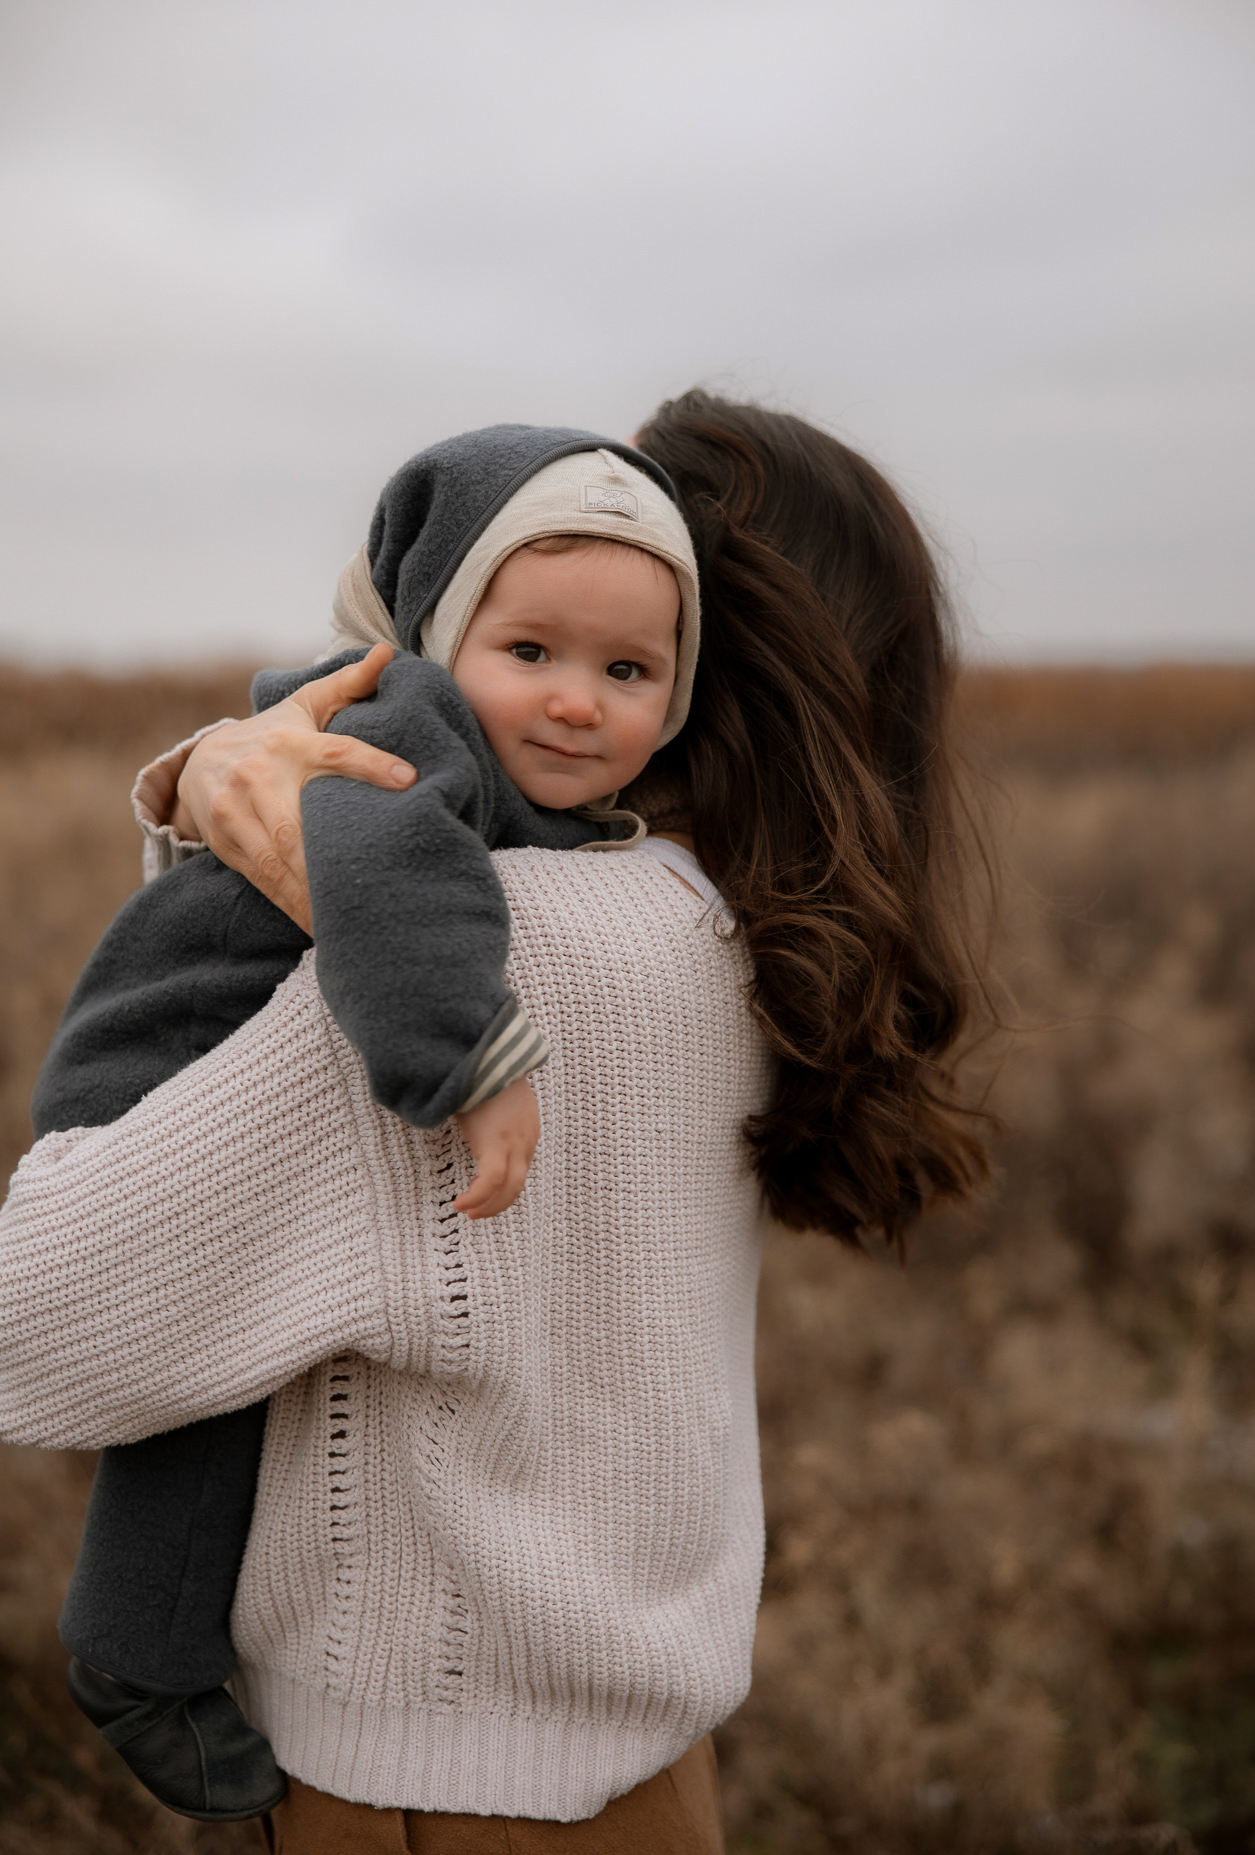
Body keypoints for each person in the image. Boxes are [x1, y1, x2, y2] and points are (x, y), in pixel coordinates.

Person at [0, 391, 991, 1850]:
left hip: (424, 1791)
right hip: (641, 1774)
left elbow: (44, 1320)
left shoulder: (479, 966)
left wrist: (247, 818)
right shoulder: (718, 930)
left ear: (701, 660)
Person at [31, 424, 700, 1820]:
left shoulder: (520, 787)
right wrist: (475, 1058)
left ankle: (141, 1645)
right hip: (164, 1052)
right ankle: (134, 1651)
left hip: (201, 1033)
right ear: (441, 635)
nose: (578, 702)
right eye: (532, 654)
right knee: (197, 1398)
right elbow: (390, 860)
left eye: (627, 672)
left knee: (226, 1394)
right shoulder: (409, 729)